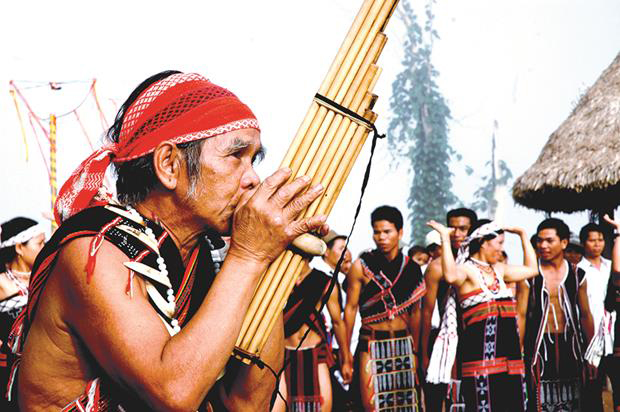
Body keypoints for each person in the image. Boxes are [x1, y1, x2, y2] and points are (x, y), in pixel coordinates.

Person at [8, 71, 328, 411]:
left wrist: (270, 264)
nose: (253, 179)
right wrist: (249, 256)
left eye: (254, 160)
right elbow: (173, 393)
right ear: (168, 166)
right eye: (236, 157)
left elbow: (247, 404)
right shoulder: (96, 251)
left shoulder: (205, 258)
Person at [426, 219, 537, 411]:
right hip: (479, 362)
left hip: (509, 361)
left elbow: (532, 270)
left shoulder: (500, 271)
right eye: (499, 243)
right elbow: (450, 276)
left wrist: (522, 234)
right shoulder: (466, 271)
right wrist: (445, 238)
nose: (501, 250)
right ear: (483, 242)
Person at [343, 206, 425, 411]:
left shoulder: (411, 268)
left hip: (404, 344)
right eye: (377, 232)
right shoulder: (361, 266)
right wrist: (345, 355)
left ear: (400, 233)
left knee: (407, 406)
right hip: (370, 343)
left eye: (387, 232)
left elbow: (416, 313)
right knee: (371, 405)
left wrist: (416, 350)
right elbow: (350, 309)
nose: (381, 237)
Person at [274, 231, 352, 412]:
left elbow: (338, 322)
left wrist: (346, 358)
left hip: (316, 355)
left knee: (321, 405)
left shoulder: (324, 281)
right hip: (282, 356)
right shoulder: (277, 284)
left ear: (309, 255)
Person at [523, 218, 595, 412]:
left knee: (574, 401)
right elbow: (521, 316)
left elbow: (585, 315)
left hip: (571, 347)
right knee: (538, 402)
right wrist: (519, 353)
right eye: (539, 241)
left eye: (549, 240)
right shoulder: (529, 274)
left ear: (563, 243)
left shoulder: (577, 274)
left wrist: (590, 355)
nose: (543, 245)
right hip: (538, 348)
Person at [421, 207, 477, 411]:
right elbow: (426, 312)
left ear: (472, 231)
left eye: (463, 229)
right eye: (453, 229)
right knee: (447, 397)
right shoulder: (436, 267)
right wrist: (424, 355)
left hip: (479, 337)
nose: (458, 234)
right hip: (448, 338)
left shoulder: (480, 262)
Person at [0, 217, 45, 409]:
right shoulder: (2, 283)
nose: (44, 248)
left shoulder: (45, 277)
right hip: (9, 371)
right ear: (19, 248)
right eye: (40, 243)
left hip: (44, 367)